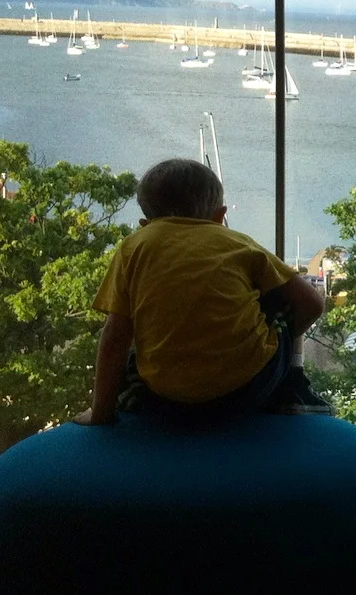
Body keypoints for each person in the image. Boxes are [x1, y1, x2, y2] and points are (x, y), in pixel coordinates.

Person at [76, 158, 326, 425]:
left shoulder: (133, 247)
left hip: (166, 400)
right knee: (280, 295)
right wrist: (274, 341)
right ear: (220, 216)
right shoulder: (239, 243)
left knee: (132, 357)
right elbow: (312, 303)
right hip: (249, 391)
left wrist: (100, 413)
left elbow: (115, 335)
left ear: (145, 223)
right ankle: (292, 388)